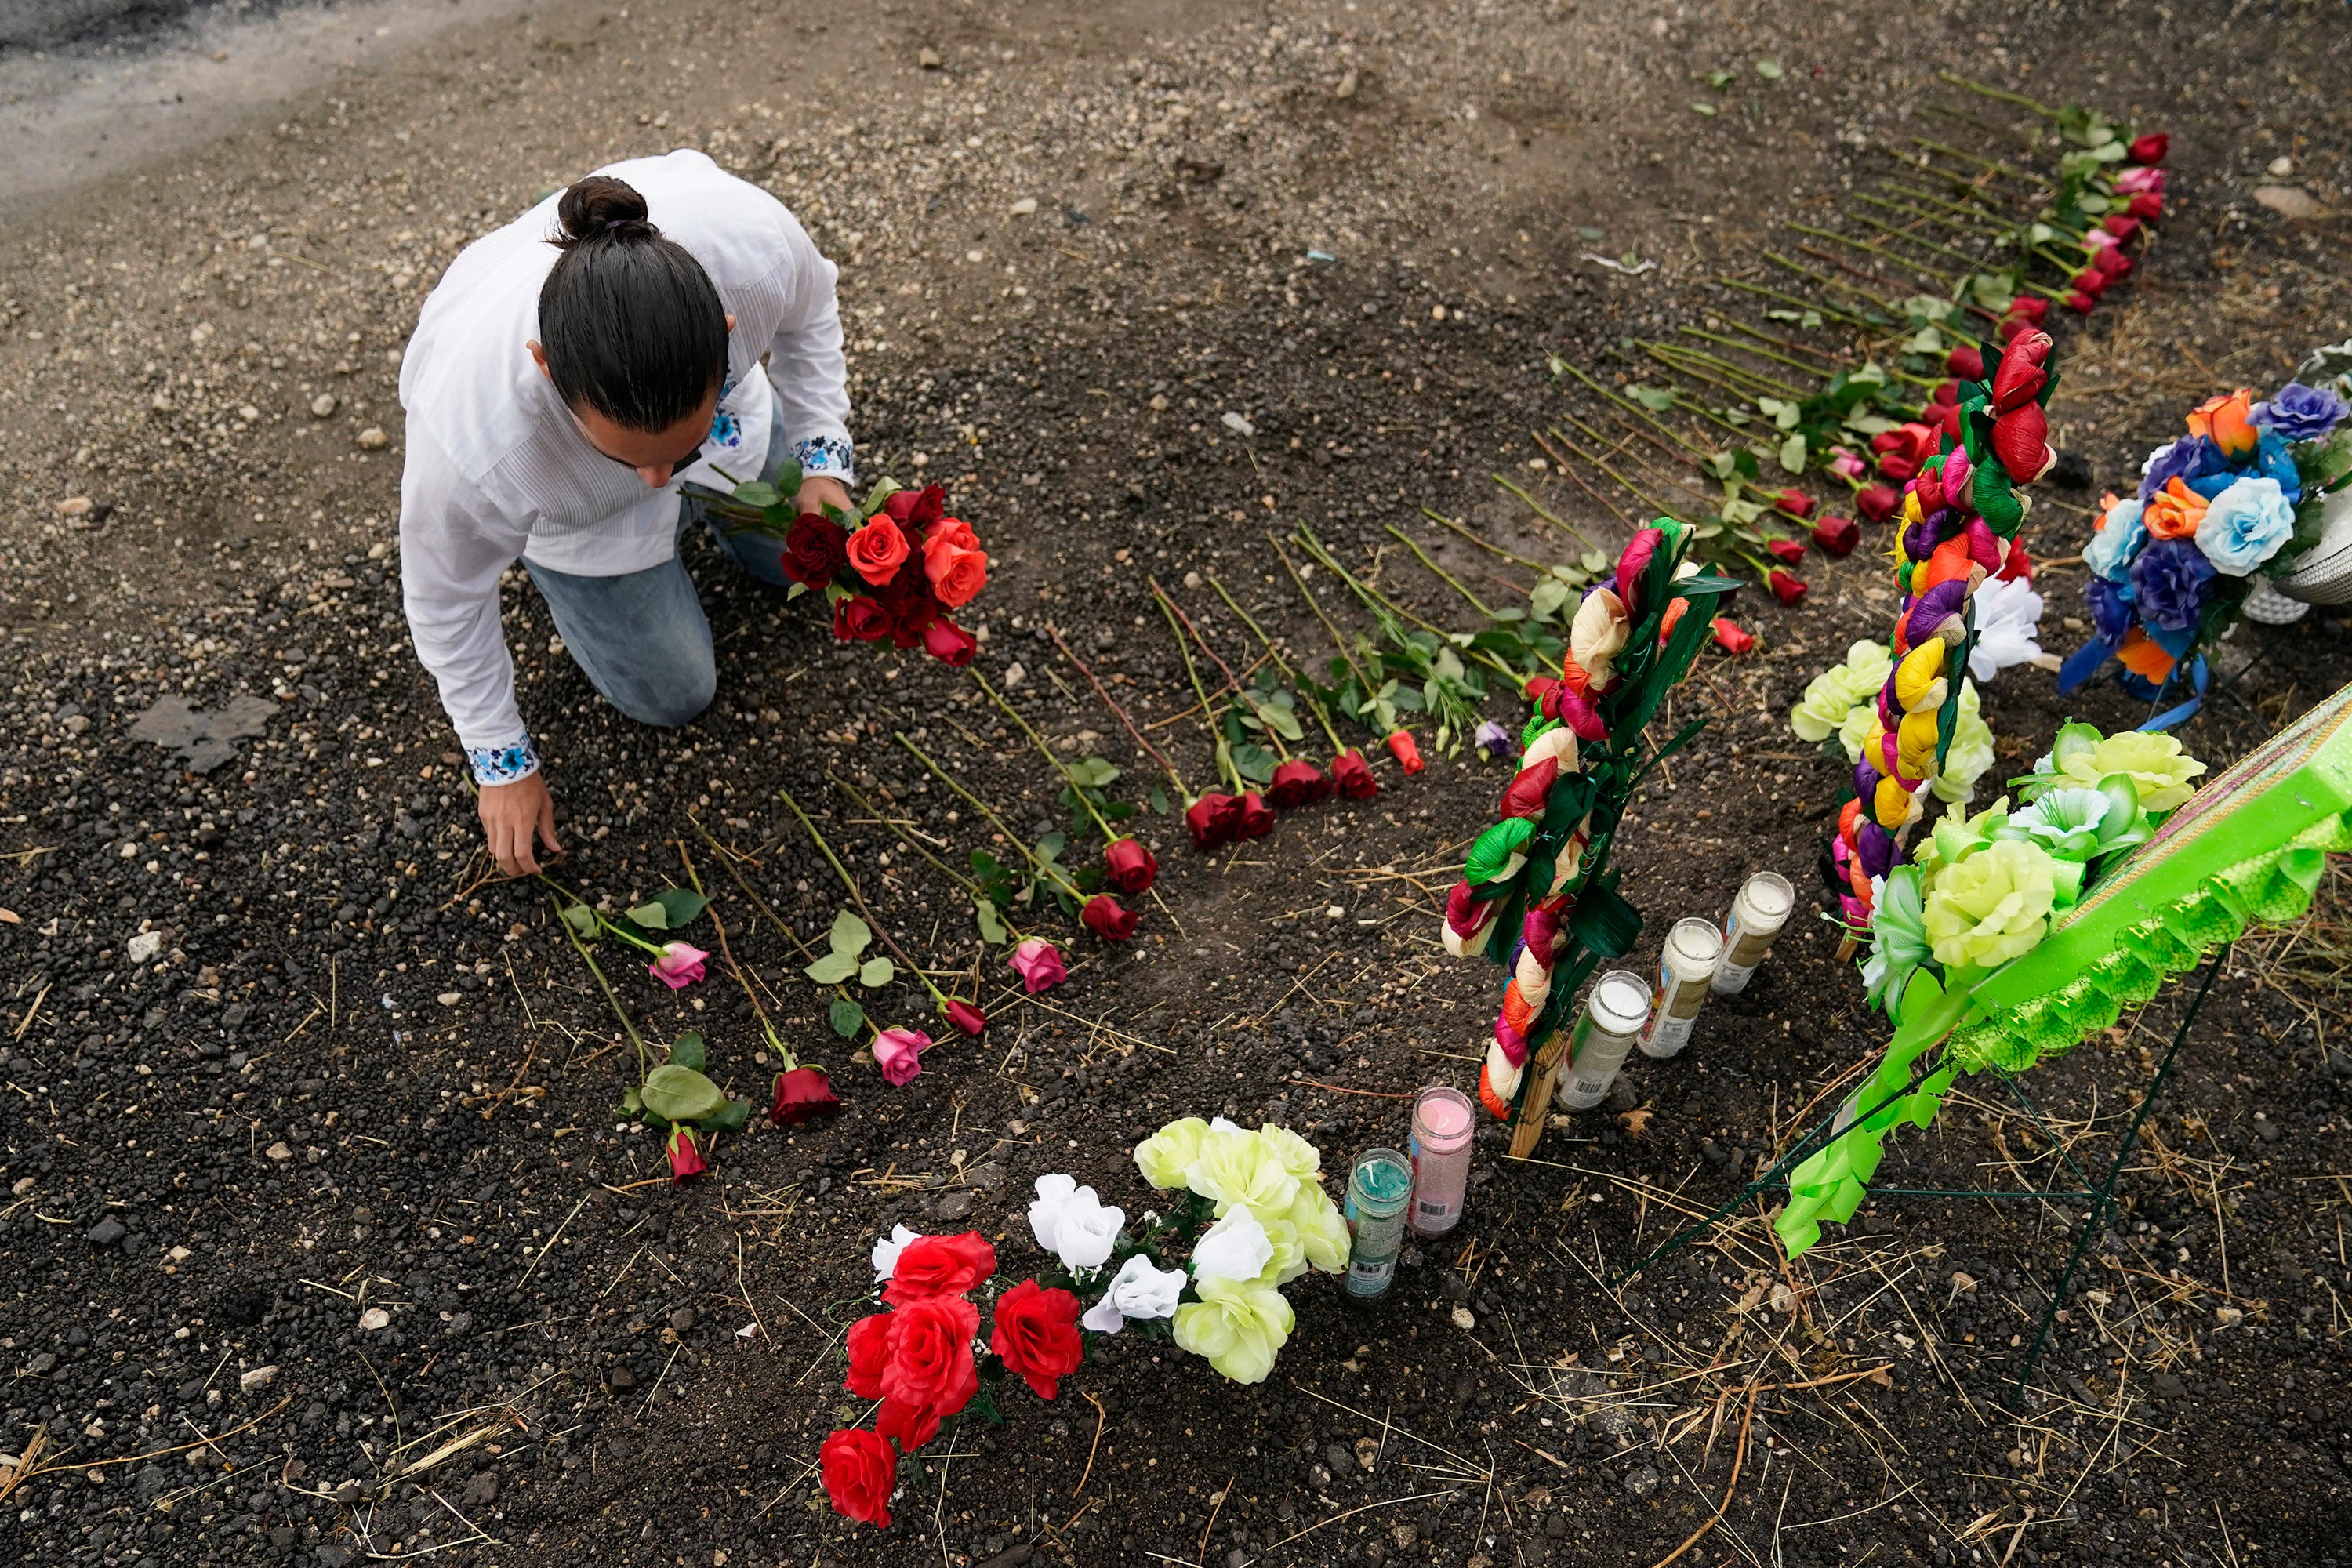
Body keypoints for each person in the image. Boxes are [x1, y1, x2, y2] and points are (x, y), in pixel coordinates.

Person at [397, 151, 853, 877]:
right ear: (546, 368)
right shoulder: (473, 443)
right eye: (627, 458)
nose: (653, 480)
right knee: (675, 695)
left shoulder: (755, 247)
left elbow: (813, 313)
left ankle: (711, 464)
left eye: (674, 450)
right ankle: (570, 568)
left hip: (735, 433)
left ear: (727, 333)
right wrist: (500, 760)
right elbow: (443, 597)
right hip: (579, 521)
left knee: (810, 565)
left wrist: (825, 462)